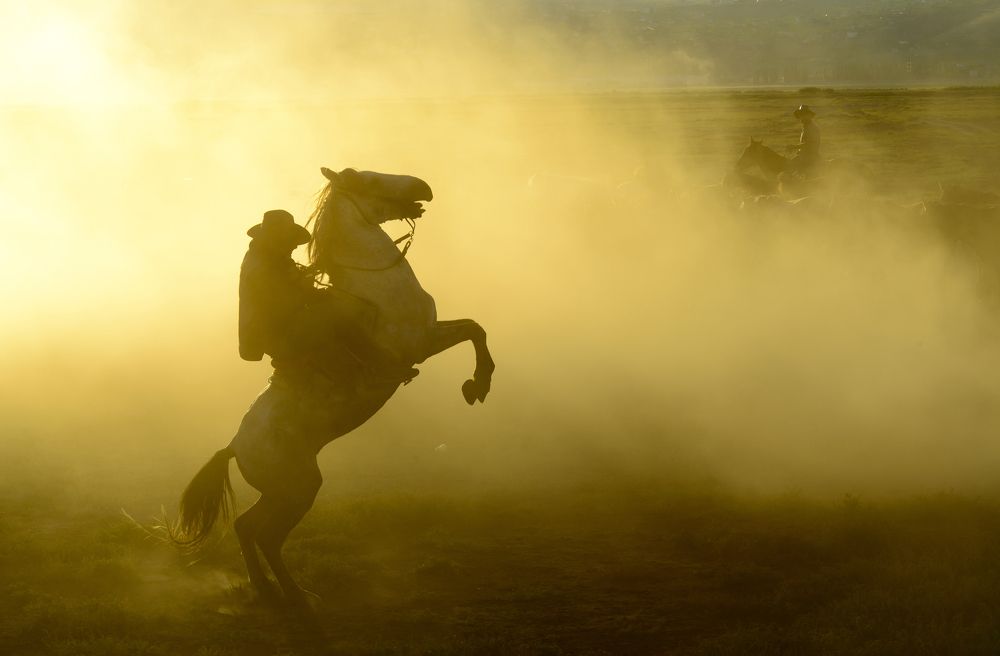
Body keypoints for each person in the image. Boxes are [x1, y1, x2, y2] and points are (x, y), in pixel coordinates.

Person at [239, 209, 415, 386]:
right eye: (290, 241)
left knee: (334, 306)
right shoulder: (262, 266)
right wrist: (308, 288)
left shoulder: (267, 257)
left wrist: (304, 283)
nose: (294, 246)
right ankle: (384, 368)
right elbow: (283, 303)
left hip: (279, 331)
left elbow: (286, 287)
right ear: (278, 239)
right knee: (339, 313)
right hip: (280, 336)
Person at [787, 104, 821, 176]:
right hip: (805, 156)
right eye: (800, 115)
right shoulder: (807, 127)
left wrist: (794, 147)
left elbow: (809, 143)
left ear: (808, 115)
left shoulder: (812, 128)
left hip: (809, 157)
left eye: (803, 115)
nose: (801, 117)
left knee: (791, 170)